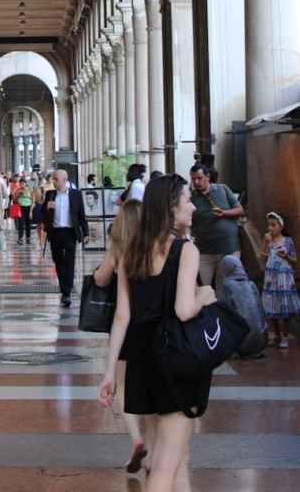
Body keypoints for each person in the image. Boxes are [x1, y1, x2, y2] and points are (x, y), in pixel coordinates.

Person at [98, 175, 217, 492]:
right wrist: (206, 296)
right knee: (164, 469)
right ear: (171, 207)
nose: (192, 206)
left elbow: (122, 316)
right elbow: (183, 310)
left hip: (140, 362)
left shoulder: (132, 253)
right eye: (187, 200)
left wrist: (109, 372)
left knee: (177, 456)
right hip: (174, 361)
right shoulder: (185, 250)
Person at [93, 200, 145, 472]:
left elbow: (101, 279)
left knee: (124, 389)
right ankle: (161, 450)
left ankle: (136, 438)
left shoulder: (118, 248)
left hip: (126, 325)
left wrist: (99, 272)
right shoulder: (155, 247)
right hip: (154, 323)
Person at [190, 164, 243, 285]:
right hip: (204, 250)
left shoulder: (222, 189)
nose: (196, 182)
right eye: (193, 179)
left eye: (199, 178)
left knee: (226, 287)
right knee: (204, 288)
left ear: (207, 176)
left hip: (228, 248)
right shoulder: (191, 197)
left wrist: (224, 213)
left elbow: (240, 210)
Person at [43, 169, 89, 307]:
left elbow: (81, 215)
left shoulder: (76, 194)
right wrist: (46, 207)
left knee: (69, 262)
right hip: (55, 232)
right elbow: (42, 215)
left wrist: (85, 232)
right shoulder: (50, 194)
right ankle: (65, 287)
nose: (54, 181)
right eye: (53, 179)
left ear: (64, 179)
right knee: (58, 262)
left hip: (70, 233)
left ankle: (66, 292)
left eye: (56, 179)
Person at [216, 255, 267, 358]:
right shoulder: (251, 284)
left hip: (241, 345)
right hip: (260, 343)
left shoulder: (227, 285)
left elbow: (224, 313)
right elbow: (261, 312)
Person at [261, 211, 300, 349]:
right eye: (269, 225)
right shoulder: (267, 239)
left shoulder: (288, 241)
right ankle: (276, 334)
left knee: (283, 307)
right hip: (271, 277)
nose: (270, 228)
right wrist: (266, 243)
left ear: (281, 226)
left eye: (273, 225)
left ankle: (284, 335)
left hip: (284, 278)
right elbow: (263, 256)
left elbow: (294, 260)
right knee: (272, 306)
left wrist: (286, 257)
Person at [14, 176, 34, 245]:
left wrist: (31, 211)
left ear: (25, 183)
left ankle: (28, 238)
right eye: (21, 183)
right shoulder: (18, 190)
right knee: (21, 223)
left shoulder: (30, 190)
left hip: (28, 208)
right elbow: (14, 200)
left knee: (28, 224)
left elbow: (32, 200)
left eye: (23, 183)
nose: (22, 185)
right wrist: (18, 195)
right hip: (20, 208)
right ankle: (20, 238)